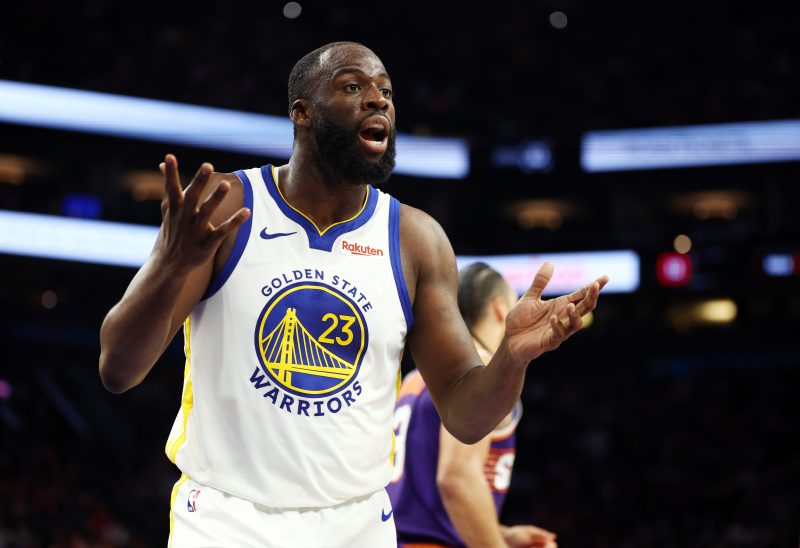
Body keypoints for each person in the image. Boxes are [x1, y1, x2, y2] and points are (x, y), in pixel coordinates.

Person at [98, 41, 607, 547]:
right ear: (302, 113)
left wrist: (511, 357)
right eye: (352, 86)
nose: (378, 99)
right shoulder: (229, 206)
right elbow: (118, 370)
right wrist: (169, 267)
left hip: (358, 525)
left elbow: (467, 418)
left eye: (386, 91)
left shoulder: (415, 240)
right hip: (226, 520)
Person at [388, 262, 557, 548]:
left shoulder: (418, 377)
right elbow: (457, 479)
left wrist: (501, 534)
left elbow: (423, 504)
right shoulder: (486, 372)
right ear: (501, 309)